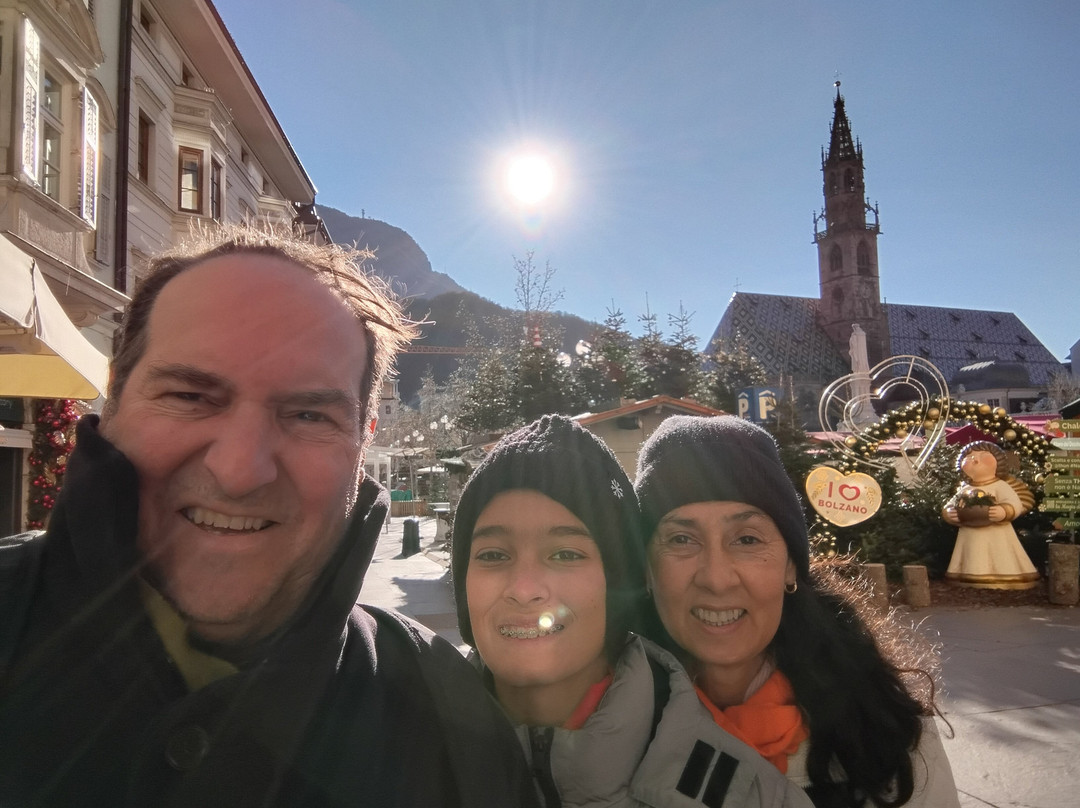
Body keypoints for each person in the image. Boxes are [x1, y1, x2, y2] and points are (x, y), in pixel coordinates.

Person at [0, 225, 536, 808]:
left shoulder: (447, 713)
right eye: (190, 396)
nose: (239, 470)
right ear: (116, 395)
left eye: (308, 415)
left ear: (363, 443)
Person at [450, 414, 813, 808]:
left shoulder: (764, 787)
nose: (717, 578)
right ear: (646, 574)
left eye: (567, 553)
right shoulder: (398, 749)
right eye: (493, 555)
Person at [634, 415, 960, 808]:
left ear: (790, 565)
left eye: (747, 539)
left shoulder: (883, 728)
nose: (717, 579)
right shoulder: (604, 732)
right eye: (681, 538)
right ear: (648, 571)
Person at [942, 441, 1039, 589]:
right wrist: (950, 513)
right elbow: (951, 504)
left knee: (1000, 553)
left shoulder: (1000, 486)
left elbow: (1015, 503)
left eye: (983, 455)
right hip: (969, 533)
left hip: (998, 534)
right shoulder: (965, 489)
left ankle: (1005, 575)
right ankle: (968, 574)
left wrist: (1005, 511)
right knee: (972, 554)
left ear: (998, 463)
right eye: (969, 456)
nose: (975, 459)